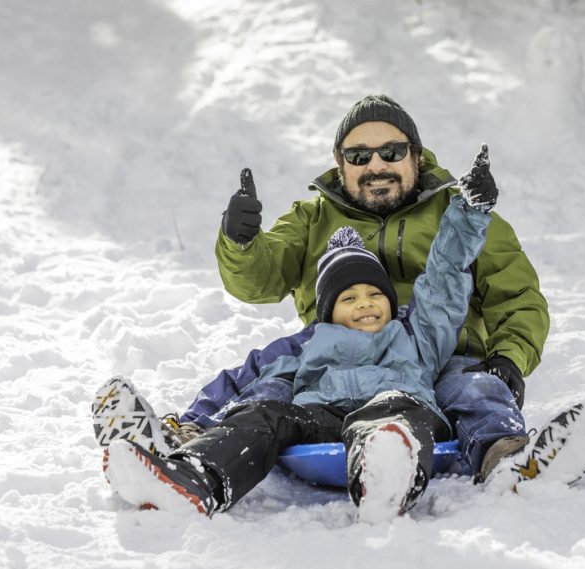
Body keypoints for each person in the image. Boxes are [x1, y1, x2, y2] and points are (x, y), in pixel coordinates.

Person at [97, 148, 500, 521]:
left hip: (397, 413)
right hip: (321, 417)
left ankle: (385, 477)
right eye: (350, 297)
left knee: (391, 409)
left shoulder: (415, 336)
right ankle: (195, 476)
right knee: (263, 413)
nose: (365, 304)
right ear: (326, 312)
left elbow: (444, 279)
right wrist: (193, 424)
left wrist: (468, 214)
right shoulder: (308, 346)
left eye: (376, 294)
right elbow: (243, 380)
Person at [216, 95, 549, 481]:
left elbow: (517, 295)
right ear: (340, 164)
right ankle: (201, 445)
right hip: (333, 362)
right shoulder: (311, 218)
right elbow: (260, 281)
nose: (376, 166)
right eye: (358, 156)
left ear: (416, 157)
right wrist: (240, 244)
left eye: (391, 152)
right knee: (266, 386)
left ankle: (509, 458)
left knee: (476, 390)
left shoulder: (460, 214)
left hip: (441, 357)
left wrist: (509, 357)